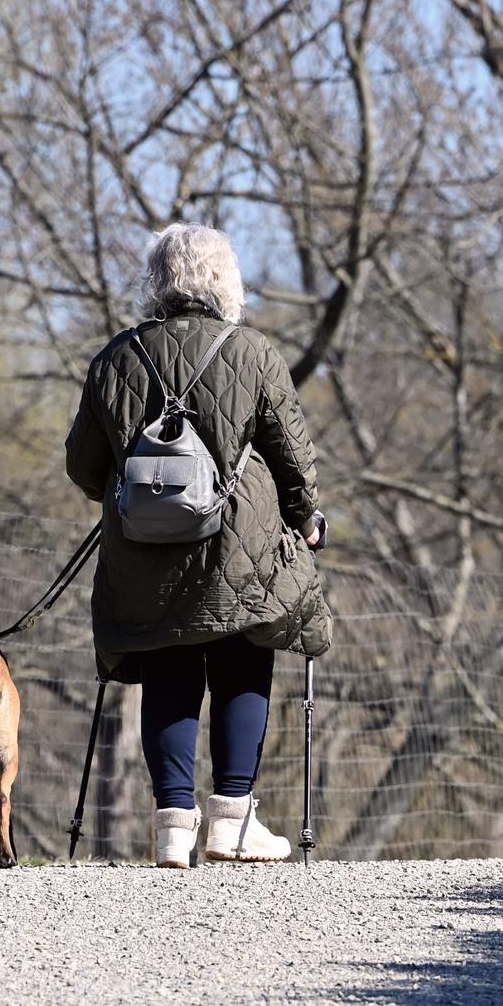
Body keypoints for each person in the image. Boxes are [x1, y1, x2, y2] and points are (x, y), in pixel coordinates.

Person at [65, 223, 332, 867]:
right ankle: (233, 825)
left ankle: (172, 830)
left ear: (157, 280)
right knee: (244, 662)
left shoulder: (115, 358)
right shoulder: (254, 353)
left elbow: (82, 465)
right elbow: (293, 460)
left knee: (168, 671)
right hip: (244, 543)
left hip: (145, 547)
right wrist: (307, 518)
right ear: (225, 282)